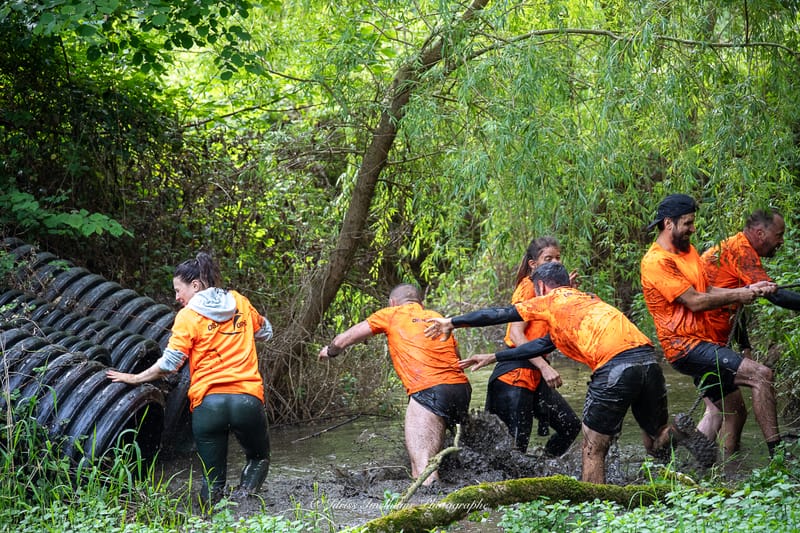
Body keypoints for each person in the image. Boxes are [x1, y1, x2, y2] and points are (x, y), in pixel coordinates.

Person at [424, 262, 688, 484]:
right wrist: (494, 356)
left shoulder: (550, 300)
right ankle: (680, 429)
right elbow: (544, 344)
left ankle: (593, 506)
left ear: (540, 287)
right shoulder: (588, 302)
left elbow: (499, 314)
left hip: (615, 367)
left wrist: (452, 321)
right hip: (649, 361)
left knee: (593, 448)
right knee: (656, 439)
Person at [107, 252, 272, 504]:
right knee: (258, 457)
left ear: (195, 285)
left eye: (178, 290)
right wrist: (241, 329)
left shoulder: (187, 317)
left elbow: (170, 364)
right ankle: (246, 505)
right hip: (247, 399)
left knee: (212, 480)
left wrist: (135, 377)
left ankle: (211, 517)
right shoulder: (240, 301)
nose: (176, 298)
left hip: (208, 404)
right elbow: (267, 332)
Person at [640, 193, 781, 460]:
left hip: (704, 342)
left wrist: (748, 288)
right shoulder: (656, 262)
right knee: (762, 375)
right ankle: (779, 456)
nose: (693, 229)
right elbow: (694, 301)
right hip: (685, 347)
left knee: (735, 411)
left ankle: (704, 464)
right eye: (688, 223)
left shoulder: (688, 251)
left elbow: (707, 289)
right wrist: (739, 295)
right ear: (668, 223)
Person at [318, 283, 471, 486]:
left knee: (422, 471)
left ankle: (432, 511)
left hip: (429, 390)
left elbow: (346, 338)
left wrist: (329, 351)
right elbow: (457, 357)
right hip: (460, 389)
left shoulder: (392, 313)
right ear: (420, 303)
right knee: (457, 457)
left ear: (392, 302)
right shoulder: (436, 316)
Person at [696, 208, 800, 448]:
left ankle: (722, 471)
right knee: (719, 411)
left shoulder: (735, 247)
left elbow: (737, 302)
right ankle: (679, 462)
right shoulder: (741, 249)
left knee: (733, 413)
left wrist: (744, 346)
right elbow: (775, 295)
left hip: (708, 340)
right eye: (779, 235)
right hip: (701, 341)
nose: (781, 241)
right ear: (761, 233)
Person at [493, 237, 580, 455]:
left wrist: (565, 294)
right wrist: (544, 366)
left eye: (558, 258)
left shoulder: (551, 290)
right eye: (548, 258)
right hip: (514, 376)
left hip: (534, 377)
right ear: (533, 264)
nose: (556, 262)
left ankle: (544, 467)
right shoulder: (529, 286)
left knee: (570, 426)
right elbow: (516, 333)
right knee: (514, 451)